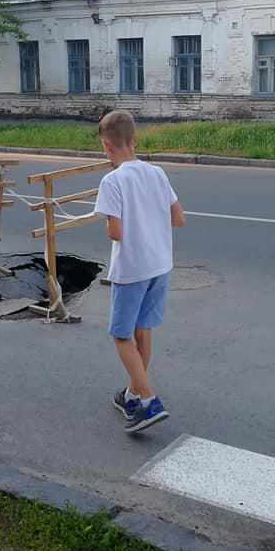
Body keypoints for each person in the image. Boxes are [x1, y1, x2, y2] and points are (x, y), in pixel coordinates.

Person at [94, 110, 186, 433]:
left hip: (132, 269)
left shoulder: (112, 181)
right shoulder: (157, 173)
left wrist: (116, 221)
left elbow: (116, 233)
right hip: (160, 265)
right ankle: (133, 394)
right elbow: (178, 218)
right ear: (134, 141)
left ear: (107, 146)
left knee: (121, 335)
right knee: (143, 330)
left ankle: (149, 399)